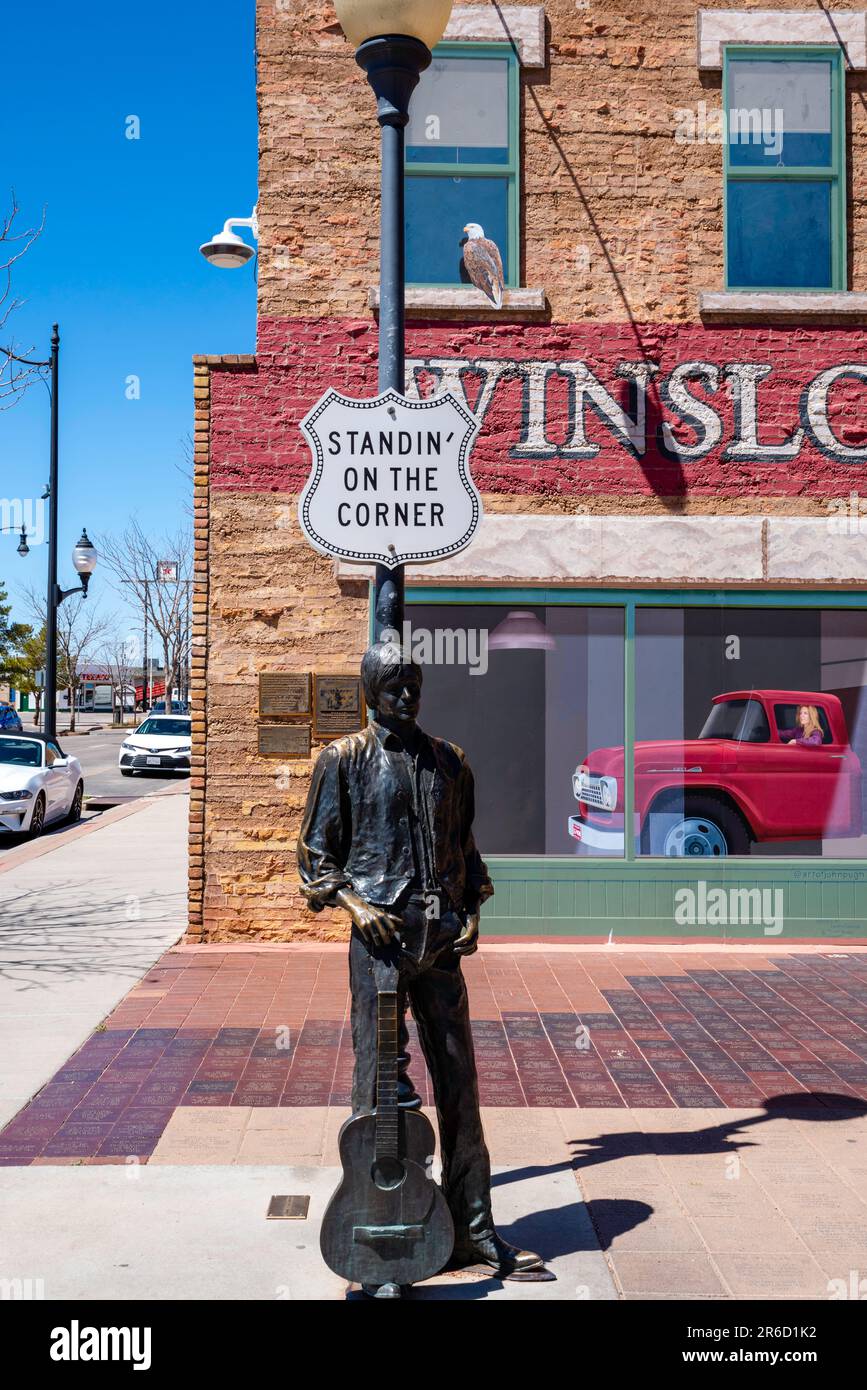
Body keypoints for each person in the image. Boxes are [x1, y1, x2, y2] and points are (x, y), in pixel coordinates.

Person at [297, 640, 547, 1296]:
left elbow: (465, 849)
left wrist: (470, 913)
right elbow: (315, 861)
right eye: (392, 684)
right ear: (367, 690)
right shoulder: (342, 761)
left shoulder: (448, 762)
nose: (405, 695)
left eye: (412, 683)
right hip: (377, 945)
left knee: (459, 1086)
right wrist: (356, 905)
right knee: (377, 1091)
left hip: (438, 945)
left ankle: (472, 1224)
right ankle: (382, 1240)